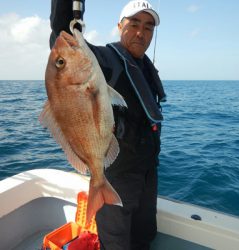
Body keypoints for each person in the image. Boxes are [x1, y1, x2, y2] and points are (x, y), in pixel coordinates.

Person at [50, 0, 166, 249]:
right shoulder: (103, 60)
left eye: (148, 27)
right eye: (134, 24)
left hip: (148, 172)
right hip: (118, 175)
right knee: (115, 242)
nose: (140, 32)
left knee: (144, 235)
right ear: (119, 26)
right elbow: (62, 36)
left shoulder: (146, 68)